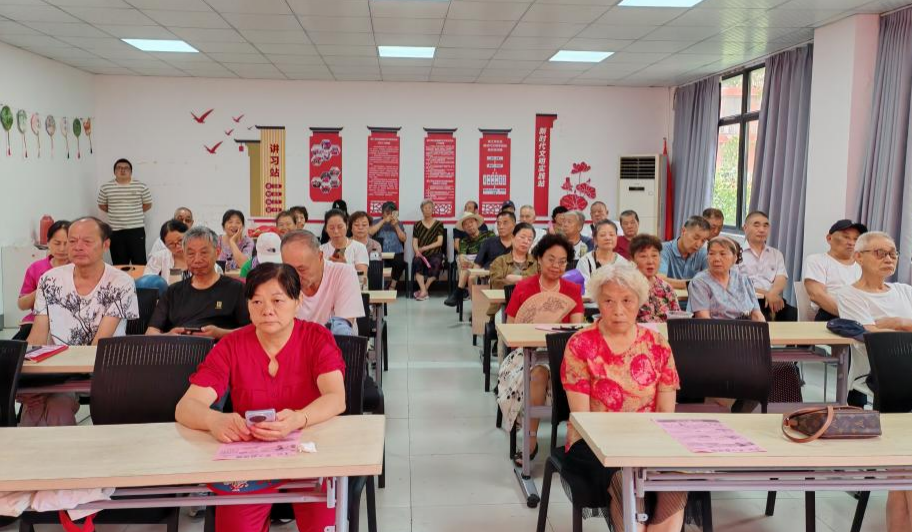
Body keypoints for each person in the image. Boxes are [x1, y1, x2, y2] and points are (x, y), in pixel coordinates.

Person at [175, 263, 345, 532]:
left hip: (310, 453)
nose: (267, 310)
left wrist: (298, 418)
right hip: (252, 457)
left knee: (322, 523)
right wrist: (213, 420)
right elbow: (186, 407)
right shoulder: (231, 345)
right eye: (257, 302)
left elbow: (336, 397)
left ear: (298, 301)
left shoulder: (316, 338)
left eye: (277, 300)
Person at [561, 262, 685, 532]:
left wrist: (646, 446)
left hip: (648, 438)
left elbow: (666, 412)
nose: (618, 310)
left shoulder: (657, 344)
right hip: (594, 444)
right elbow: (582, 418)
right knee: (624, 478)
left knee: (675, 479)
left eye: (627, 300)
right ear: (598, 302)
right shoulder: (581, 343)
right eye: (608, 301)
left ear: (639, 301)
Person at [24, 217, 138, 426]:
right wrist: (28, 375)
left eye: (87, 241)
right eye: (72, 241)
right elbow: (38, 334)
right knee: (36, 402)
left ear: (105, 245)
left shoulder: (121, 282)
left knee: (56, 405)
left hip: (102, 367)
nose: (78, 247)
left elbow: (100, 343)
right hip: (56, 368)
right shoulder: (50, 279)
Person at [497, 234, 584, 467]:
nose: (556, 266)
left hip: (563, 354)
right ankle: (531, 439)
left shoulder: (572, 290)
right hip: (526, 353)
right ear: (539, 259)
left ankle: (580, 441)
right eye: (551, 259)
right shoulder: (523, 288)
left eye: (562, 261)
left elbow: (576, 332)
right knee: (538, 374)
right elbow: (512, 330)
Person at [836, 231, 912, 414]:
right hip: (882, 369)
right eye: (880, 253)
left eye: (892, 254)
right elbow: (875, 340)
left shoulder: (905, 291)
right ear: (859, 257)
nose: (889, 259)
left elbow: (880, 332)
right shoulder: (849, 295)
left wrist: (898, 322)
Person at [147, 226, 250, 338]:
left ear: (217, 252)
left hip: (220, 347)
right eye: (191, 254)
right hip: (179, 347)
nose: (197, 260)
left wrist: (220, 333)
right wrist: (169, 336)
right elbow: (150, 332)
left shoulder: (236, 289)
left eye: (204, 253)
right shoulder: (172, 291)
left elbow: (252, 330)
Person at [280, 230, 365, 335]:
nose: (296, 276)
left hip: (334, 342)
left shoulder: (343, 273)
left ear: (320, 257)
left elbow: (342, 329)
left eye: (302, 269)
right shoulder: (280, 280)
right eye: (289, 269)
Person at [15, 220, 70, 341]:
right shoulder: (36, 268)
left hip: (69, 321)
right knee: (18, 347)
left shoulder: (79, 267)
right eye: (57, 243)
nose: (62, 248)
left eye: (67, 243)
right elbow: (22, 305)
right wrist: (42, 289)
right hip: (37, 320)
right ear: (48, 242)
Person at [688, 237, 764, 322]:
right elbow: (704, 319)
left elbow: (757, 315)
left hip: (747, 328)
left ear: (734, 258)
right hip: (715, 329)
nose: (716, 259)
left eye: (723, 254)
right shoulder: (700, 282)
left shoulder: (744, 280)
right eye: (711, 253)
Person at [804, 219, 866, 321]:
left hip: (862, 315)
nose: (851, 243)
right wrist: (852, 315)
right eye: (846, 237)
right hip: (831, 315)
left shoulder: (863, 265)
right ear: (829, 238)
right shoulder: (817, 260)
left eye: (856, 239)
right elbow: (816, 295)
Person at [740, 211, 796, 321]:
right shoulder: (736, 253)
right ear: (745, 228)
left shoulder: (776, 254)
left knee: (794, 315)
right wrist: (767, 294)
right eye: (756, 225)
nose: (762, 230)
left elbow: (781, 278)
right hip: (747, 301)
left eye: (765, 226)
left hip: (773, 300)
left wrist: (773, 293)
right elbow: (736, 283)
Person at [97, 158, 152, 265]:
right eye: (119, 168)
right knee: (119, 263)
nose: (122, 170)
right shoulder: (106, 187)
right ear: (114, 171)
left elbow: (148, 204)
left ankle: (139, 277)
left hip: (136, 229)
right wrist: (115, 211)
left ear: (131, 171)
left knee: (139, 262)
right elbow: (101, 204)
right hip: (115, 231)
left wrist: (134, 211)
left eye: (126, 168)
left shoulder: (141, 186)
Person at [487, 223, 538, 316]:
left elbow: (540, 282)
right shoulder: (500, 261)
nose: (526, 241)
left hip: (531, 309)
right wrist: (526, 282)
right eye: (522, 237)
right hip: (502, 308)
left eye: (529, 239)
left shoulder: (537, 263)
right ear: (512, 238)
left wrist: (519, 279)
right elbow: (496, 283)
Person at [630, 234, 681, 323]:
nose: (650, 261)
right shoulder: (627, 287)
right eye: (643, 256)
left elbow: (677, 317)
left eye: (654, 255)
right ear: (633, 260)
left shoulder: (667, 288)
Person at [444, 211, 491, 307]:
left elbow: (493, 253)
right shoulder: (464, 241)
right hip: (470, 267)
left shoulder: (489, 235)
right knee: (470, 276)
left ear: (477, 223)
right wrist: (466, 262)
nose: (469, 225)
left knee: (469, 273)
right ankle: (476, 308)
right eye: (465, 224)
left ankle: (459, 292)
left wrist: (474, 263)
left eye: (471, 222)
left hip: (487, 263)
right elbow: (462, 257)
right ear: (464, 229)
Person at [659, 215, 710, 290]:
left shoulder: (703, 253)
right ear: (683, 231)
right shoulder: (663, 249)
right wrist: (693, 283)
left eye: (703, 241)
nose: (698, 244)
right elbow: (660, 280)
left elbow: (711, 280)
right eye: (695, 238)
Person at [411, 199, 445, 301]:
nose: (427, 210)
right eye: (425, 208)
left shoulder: (439, 224)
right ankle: (423, 291)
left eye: (430, 207)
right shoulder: (417, 225)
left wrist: (425, 247)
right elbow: (414, 241)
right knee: (416, 261)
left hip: (435, 253)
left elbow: (439, 242)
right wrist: (417, 251)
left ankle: (424, 290)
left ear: (433, 209)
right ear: (422, 210)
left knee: (437, 262)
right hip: (421, 254)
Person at [320, 209, 369, 280]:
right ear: (326, 229)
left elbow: (362, 278)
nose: (336, 231)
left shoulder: (359, 248)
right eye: (331, 228)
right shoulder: (320, 250)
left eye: (340, 227)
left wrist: (345, 266)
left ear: (347, 226)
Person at [369, 201, 407, 291]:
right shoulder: (376, 221)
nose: (389, 215)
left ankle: (392, 286)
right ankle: (377, 286)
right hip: (378, 252)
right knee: (373, 264)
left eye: (392, 212)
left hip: (395, 252)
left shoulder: (399, 223)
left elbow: (403, 239)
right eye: (387, 212)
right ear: (382, 212)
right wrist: (383, 221)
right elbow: (370, 232)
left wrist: (396, 226)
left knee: (400, 263)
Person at [143, 219, 190, 284]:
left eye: (180, 240)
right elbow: (147, 282)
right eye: (171, 244)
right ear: (165, 244)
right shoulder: (159, 258)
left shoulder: (199, 255)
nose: (177, 246)